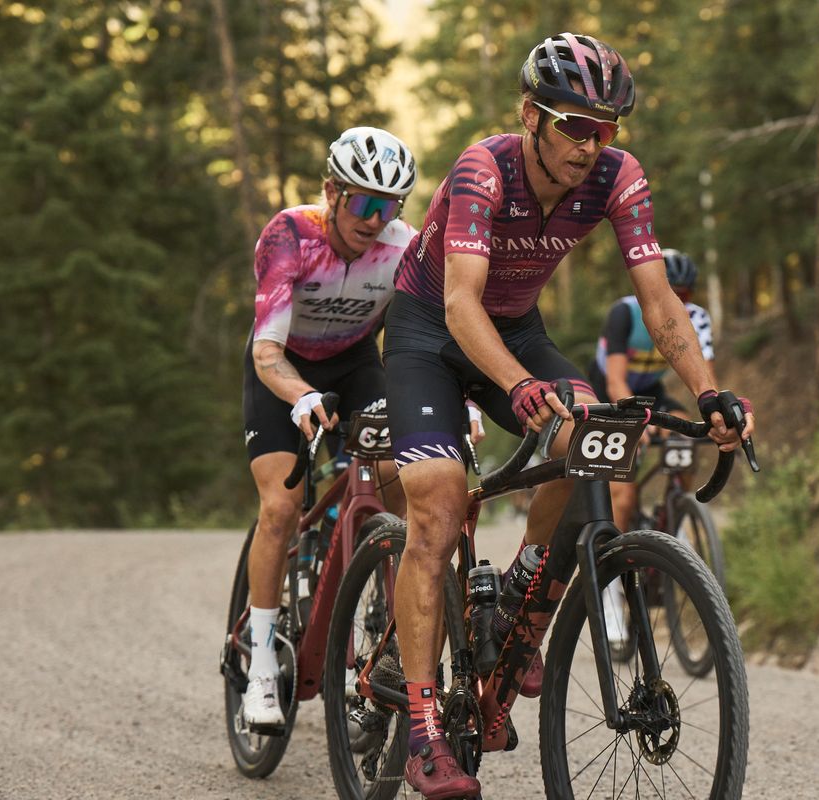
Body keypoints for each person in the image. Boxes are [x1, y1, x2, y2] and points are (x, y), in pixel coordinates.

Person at [382, 32, 755, 798]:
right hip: (430, 328)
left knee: (596, 434)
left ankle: (522, 590)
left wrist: (710, 392)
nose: (591, 145)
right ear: (531, 114)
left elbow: (660, 303)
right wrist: (518, 385)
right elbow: (458, 302)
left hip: (514, 327)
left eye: (606, 128)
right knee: (441, 503)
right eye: (574, 125)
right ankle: (422, 731)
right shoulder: (485, 168)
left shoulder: (618, 178)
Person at [239, 126, 419, 728]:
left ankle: (386, 626)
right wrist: (298, 396)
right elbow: (267, 353)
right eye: (363, 202)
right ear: (331, 193)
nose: (374, 219)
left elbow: (424, 337)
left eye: (387, 206)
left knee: (400, 477)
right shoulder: (289, 236)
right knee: (282, 507)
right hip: (284, 365)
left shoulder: (403, 248)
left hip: (355, 363)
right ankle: (261, 663)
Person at [588, 248, 716, 652]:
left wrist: (713, 415)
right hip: (611, 392)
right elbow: (616, 383)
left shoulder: (697, 318)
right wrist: (633, 421)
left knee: (686, 436)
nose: (679, 300)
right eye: (670, 291)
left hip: (652, 391)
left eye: (686, 293)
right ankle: (610, 592)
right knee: (622, 492)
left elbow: (706, 377)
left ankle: (677, 513)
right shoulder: (624, 313)